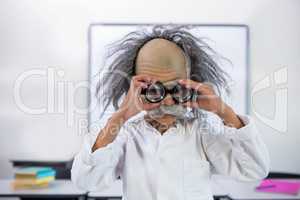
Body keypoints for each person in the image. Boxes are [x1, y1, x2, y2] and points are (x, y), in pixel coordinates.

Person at [71, 25, 270, 200]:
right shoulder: (125, 135)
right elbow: (85, 180)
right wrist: (121, 115)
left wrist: (224, 112)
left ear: (191, 85)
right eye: (154, 90)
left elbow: (254, 170)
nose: (166, 100)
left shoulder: (201, 132)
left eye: (177, 89)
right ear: (137, 90)